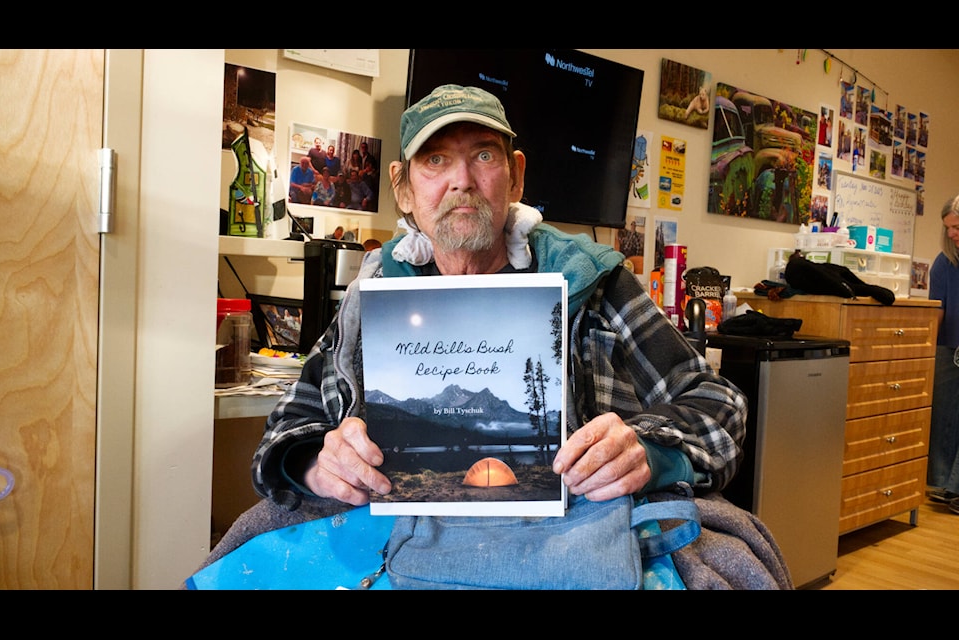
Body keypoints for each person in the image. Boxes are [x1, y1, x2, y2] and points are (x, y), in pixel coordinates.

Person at [193, 84, 789, 590]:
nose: (462, 181)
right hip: (401, 546)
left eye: (483, 155)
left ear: (516, 174)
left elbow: (721, 406)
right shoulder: (373, 294)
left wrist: (649, 451)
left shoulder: (592, 280)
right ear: (404, 188)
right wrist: (314, 461)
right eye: (435, 161)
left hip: (574, 546)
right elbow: (288, 423)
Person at [927, 194, 959, 514]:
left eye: (958, 227)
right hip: (948, 346)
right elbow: (938, 309)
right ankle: (939, 483)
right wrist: (927, 349)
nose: (952, 234)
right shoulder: (943, 263)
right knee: (944, 419)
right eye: (948, 228)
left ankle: (956, 488)